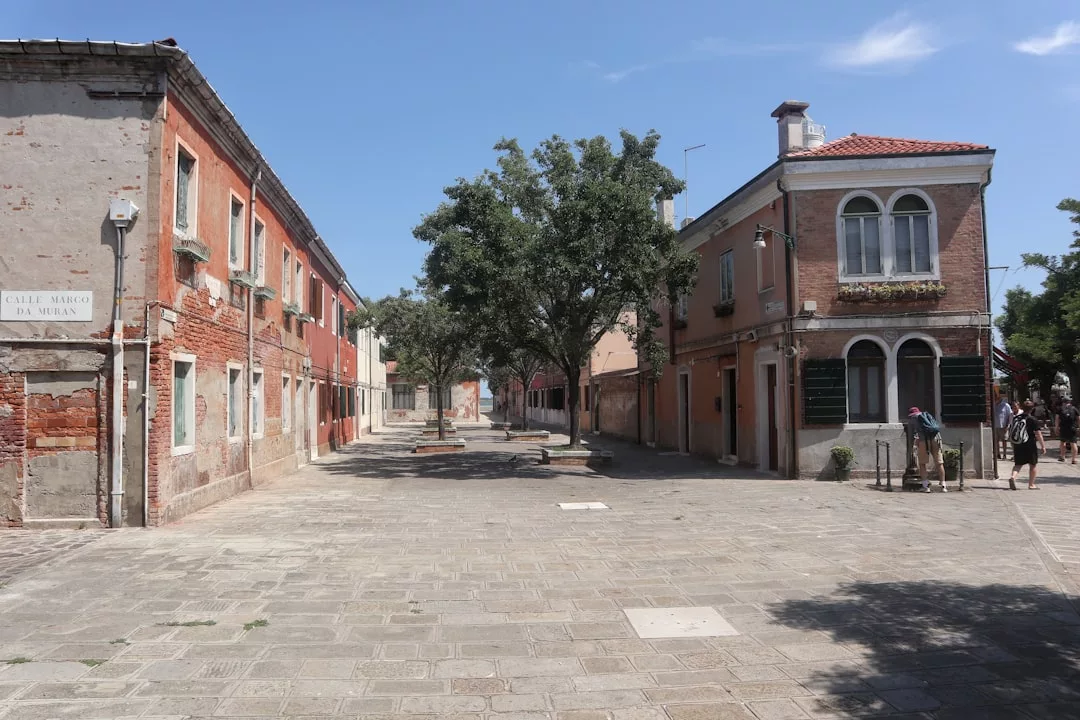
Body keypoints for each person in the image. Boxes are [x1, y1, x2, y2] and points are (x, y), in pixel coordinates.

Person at [1008, 400, 1046, 490]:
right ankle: (1031, 484)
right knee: (1033, 465)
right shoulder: (1032, 419)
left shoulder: (1016, 417)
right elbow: (1038, 434)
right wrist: (1043, 446)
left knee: (1018, 464)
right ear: (1032, 409)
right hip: (1030, 444)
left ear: (1022, 407)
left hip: (1018, 443)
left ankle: (1013, 477)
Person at [909, 407, 946, 493]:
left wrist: (914, 443)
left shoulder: (913, 419)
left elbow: (914, 433)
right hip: (936, 439)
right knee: (939, 463)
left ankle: (926, 487)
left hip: (923, 440)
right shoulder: (927, 415)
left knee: (922, 464)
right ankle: (943, 486)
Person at [1056, 396, 1079, 464]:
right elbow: (1078, 418)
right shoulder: (1074, 409)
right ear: (1070, 402)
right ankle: (1074, 459)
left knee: (1062, 442)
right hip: (1072, 428)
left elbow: (1057, 419)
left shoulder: (1060, 409)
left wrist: (1056, 427)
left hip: (1063, 428)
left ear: (1063, 402)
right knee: (1073, 443)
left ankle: (1062, 457)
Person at [994, 396, 1014, 460]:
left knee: (1004, 441)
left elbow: (1010, 415)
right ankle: (998, 454)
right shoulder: (993, 405)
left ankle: (1004, 455)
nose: (996, 399)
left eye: (997, 398)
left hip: (1003, 426)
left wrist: (1008, 425)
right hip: (995, 426)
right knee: (996, 441)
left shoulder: (1006, 405)